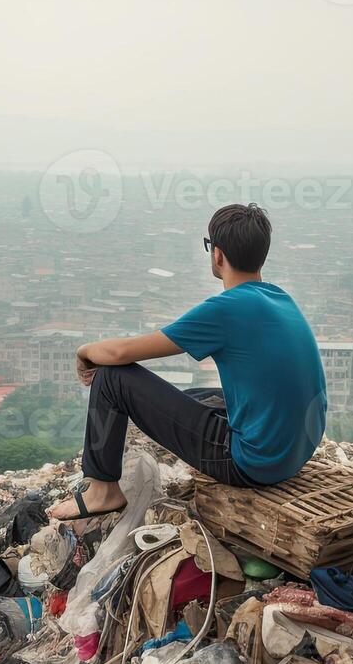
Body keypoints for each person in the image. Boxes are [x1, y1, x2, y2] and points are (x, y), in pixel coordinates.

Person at [50, 203, 327, 521]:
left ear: (218, 254)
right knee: (195, 396)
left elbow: (119, 354)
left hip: (251, 464)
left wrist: (84, 351)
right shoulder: (280, 298)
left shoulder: (225, 309)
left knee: (112, 379)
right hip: (295, 451)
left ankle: (102, 491)